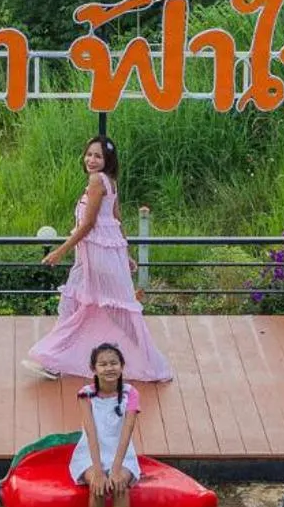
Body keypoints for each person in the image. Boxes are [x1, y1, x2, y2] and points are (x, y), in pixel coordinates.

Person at [23, 134, 172, 382]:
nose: (91, 160)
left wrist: (60, 251)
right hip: (96, 256)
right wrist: (125, 255)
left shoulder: (97, 181)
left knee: (95, 308)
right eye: (89, 154)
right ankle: (53, 359)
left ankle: (146, 361)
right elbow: (117, 220)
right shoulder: (110, 182)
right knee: (94, 307)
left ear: (107, 160)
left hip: (97, 258)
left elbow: (89, 224)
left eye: (98, 156)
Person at [69, 342, 142, 507]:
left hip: (121, 452)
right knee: (97, 487)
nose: (109, 368)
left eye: (114, 363)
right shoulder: (85, 394)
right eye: (103, 364)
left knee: (120, 486)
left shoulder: (131, 393)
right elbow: (91, 433)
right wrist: (99, 471)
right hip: (91, 452)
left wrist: (118, 468)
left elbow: (127, 432)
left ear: (121, 366)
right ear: (94, 368)